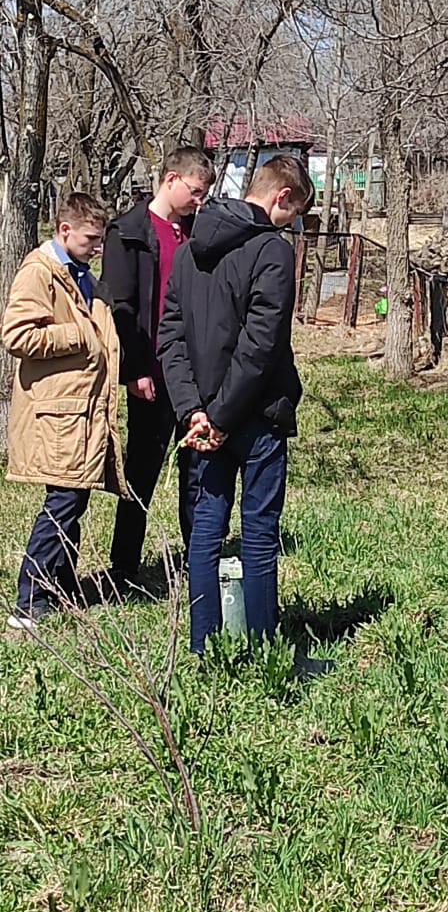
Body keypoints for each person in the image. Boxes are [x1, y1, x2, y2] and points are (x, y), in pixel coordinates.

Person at [157, 154, 314, 654]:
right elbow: (260, 346)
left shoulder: (188, 251)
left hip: (202, 416)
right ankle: (265, 650)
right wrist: (223, 417)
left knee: (206, 527)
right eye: (296, 212)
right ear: (281, 196)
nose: (293, 223)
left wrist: (192, 410)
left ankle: (204, 644)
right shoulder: (271, 251)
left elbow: (171, 339)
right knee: (259, 531)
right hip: (254, 417)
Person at [3, 193, 128, 630]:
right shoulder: (40, 273)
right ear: (65, 231)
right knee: (63, 503)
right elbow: (16, 335)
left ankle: (61, 586)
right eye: (91, 239)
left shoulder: (80, 274)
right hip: (58, 412)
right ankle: (29, 600)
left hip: (81, 410)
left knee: (74, 500)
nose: (97, 248)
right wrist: (78, 333)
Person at [101, 147, 215, 586]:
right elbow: (122, 307)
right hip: (151, 370)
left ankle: (196, 558)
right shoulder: (128, 232)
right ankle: (124, 566)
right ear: (171, 180)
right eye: (194, 191)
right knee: (142, 472)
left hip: (192, 371)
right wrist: (135, 369)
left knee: (197, 470)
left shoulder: (196, 231)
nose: (198, 201)